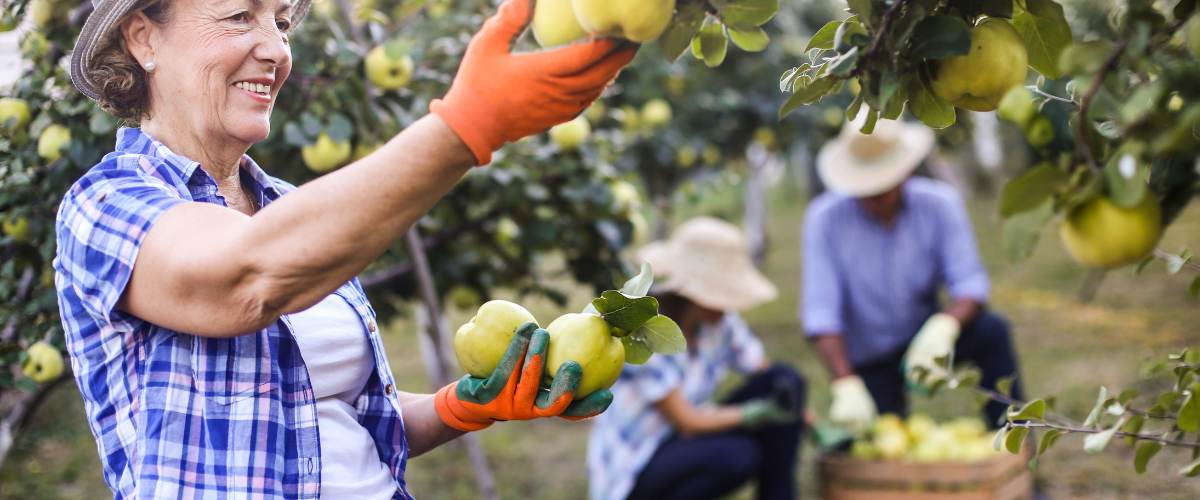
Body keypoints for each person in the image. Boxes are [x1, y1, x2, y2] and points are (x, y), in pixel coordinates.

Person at [54, 0, 635, 497]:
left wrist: (464, 406)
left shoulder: (290, 208)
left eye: (280, 22)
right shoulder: (104, 205)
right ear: (143, 38)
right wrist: (468, 125)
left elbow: (336, 420)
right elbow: (244, 279)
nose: (277, 50)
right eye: (237, 16)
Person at [802, 115, 1024, 432]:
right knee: (875, 449)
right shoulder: (824, 220)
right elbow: (821, 313)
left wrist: (945, 326)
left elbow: (970, 283)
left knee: (992, 332)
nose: (875, 197)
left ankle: (1016, 448)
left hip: (925, 338)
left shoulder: (939, 205)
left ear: (904, 172)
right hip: (869, 354)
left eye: (883, 186)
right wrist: (845, 382)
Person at [588, 217, 807, 500]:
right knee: (737, 455)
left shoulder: (720, 321)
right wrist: (756, 412)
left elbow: (762, 368)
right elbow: (687, 421)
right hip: (639, 461)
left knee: (787, 379)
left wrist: (798, 412)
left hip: (685, 441)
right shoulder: (644, 331)